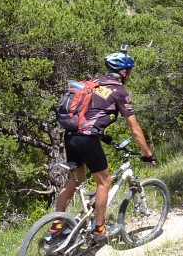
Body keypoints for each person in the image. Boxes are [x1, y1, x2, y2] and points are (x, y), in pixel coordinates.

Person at [50, 49, 157, 241]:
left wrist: (102, 135)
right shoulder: (119, 92)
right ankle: (99, 230)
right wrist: (147, 153)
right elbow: (135, 129)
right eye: (129, 72)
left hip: (71, 135)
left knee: (75, 180)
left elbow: (89, 113)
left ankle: (56, 225)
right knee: (104, 181)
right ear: (124, 73)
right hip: (87, 139)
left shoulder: (93, 83)